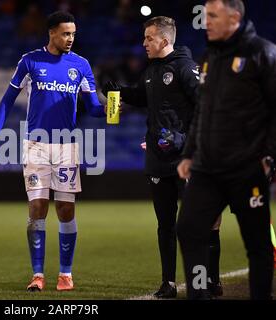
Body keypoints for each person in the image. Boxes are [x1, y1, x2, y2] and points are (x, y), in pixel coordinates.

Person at [0, 11, 106, 292]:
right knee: (37, 208)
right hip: (35, 145)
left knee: (65, 209)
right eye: (65, 33)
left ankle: (66, 274)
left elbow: (93, 108)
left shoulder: (81, 65)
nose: (70, 38)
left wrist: (112, 110)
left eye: (73, 33)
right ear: (51, 33)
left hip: (66, 146)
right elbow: (7, 100)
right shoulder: (30, 61)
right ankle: (37, 275)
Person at [102, 16, 222, 298]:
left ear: (165, 41)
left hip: (187, 160)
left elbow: (205, 109)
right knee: (165, 224)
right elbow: (145, 98)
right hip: (158, 159)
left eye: (149, 38)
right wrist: (119, 92)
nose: (144, 43)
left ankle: (210, 280)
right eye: (144, 38)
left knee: (196, 223)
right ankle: (168, 283)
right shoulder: (151, 71)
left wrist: (184, 141)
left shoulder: (184, 67)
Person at [176, 0, 276, 300]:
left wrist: (269, 156)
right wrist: (189, 153)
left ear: (234, 18)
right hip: (207, 168)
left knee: (257, 244)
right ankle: (199, 295)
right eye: (205, 15)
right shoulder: (209, 57)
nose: (205, 21)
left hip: (246, 169)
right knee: (189, 230)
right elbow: (202, 111)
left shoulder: (263, 53)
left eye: (212, 16)